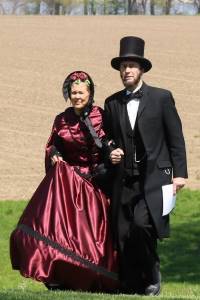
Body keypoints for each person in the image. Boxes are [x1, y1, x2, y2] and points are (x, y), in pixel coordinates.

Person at [10, 71, 118, 292]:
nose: (77, 96)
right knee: (61, 232)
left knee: (92, 238)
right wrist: (54, 154)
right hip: (69, 184)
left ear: (90, 93)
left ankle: (95, 277)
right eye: (73, 92)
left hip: (97, 184)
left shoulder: (102, 116)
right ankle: (60, 277)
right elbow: (53, 144)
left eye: (81, 92)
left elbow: (111, 143)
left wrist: (106, 166)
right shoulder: (61, 119)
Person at [104, 36, 188, 296]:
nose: (126, 70)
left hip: (155, 178)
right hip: (123, 179)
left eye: (131, 65)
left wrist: (180, 174)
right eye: (123, 66)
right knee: (123, 232)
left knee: (142, 225)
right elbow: (107, 138)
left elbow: (176, 137)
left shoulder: (162, 98)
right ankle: (130, 282)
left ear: (141, 69)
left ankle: (152, 273)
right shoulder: (111, 102)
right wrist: (111, 151)